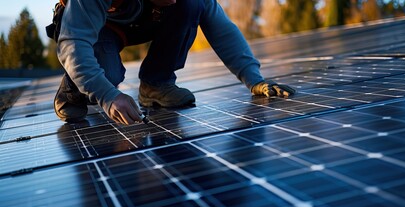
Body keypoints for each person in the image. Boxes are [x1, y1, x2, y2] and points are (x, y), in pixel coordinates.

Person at [52, 0, 296, 125]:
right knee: (107, 76)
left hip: (142, 18)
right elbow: (73, 43)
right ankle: (71, 93)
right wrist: (107, 95)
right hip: (101, 26)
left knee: (192, 5)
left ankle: (156, 84)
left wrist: (254, 79)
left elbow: (222, 29)